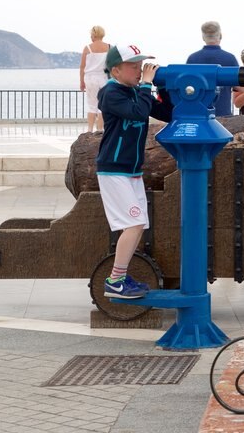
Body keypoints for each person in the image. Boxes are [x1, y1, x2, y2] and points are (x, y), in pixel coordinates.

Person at [97, 44, 159, 300]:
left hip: (132, 170)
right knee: (132, 224)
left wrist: (167, 87)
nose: (139, 69)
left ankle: (120, 278)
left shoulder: (135, 91)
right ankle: (115, 281)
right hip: (114, 170)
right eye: (133, 66)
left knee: (139, 224)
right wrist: (146, 85)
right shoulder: (110, 93)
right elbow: (139, 112)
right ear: (115, 70)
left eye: (141, 65)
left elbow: (164, 111)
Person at [186, 21, 238, 117]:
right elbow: (239, 88)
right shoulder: (230, 58)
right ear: (220, 36)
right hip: (223, 114)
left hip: (198, 114)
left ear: (203, 37)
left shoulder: (192, 59)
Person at [79, 25, 111, 133]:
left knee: (91, 104)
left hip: (90, 78)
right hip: (103, 77)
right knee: (102, 104)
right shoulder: (109, 47)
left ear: (93, 35)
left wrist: (81, 81)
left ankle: (89, 129)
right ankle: (100, 128)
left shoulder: (87, 48)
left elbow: (82, 66)